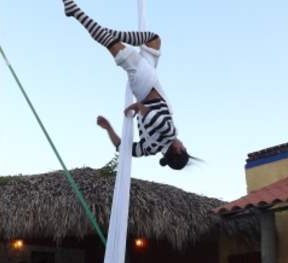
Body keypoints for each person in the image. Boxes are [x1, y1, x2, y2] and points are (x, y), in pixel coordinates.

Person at [62, 0, 192, 170]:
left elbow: (155, 119)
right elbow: (123, 148)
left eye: (184, 147)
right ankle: (102, 31)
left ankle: (75, 12)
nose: (183, 143)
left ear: (177, 149)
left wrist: (137, 106)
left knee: (113, 45)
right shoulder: (149, 149)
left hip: (145, 83)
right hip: (150, 81)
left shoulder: (170, 134)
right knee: (153, 40)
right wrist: (108, 127)